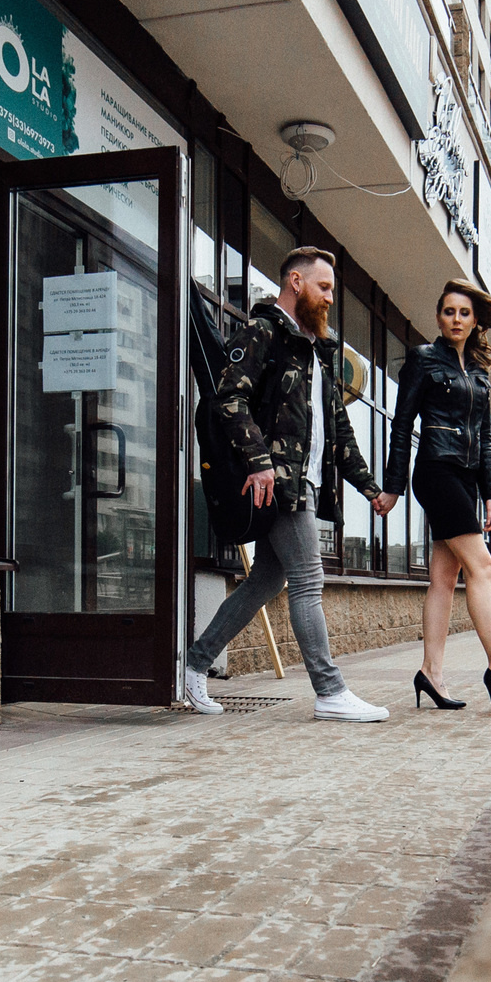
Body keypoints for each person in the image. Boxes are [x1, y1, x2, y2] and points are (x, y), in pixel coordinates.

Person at [184, 246, 396, 721]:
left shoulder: (317, 350)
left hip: (304, 482)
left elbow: (338, 430)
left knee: (267, 579)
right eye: (323, 288)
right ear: (296, 283)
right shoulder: (263, 333)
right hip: (276, 482)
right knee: (308, 579)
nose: (329, 299)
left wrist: (368, 488)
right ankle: (329, 691)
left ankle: (194, 664)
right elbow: (228, 398)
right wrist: (259, 462)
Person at [376, 280, 491, 711]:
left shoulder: (480, 374)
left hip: (466, 480)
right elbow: (400, 424)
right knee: (482, 563)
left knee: (445, 579)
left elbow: (485, 438)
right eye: (448, 312)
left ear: (474, 321)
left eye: (464, 313)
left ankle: (430, 673)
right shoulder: (423, 360)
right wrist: (394, 486)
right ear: (438, 317)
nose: (456, 319)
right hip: (435, 470)